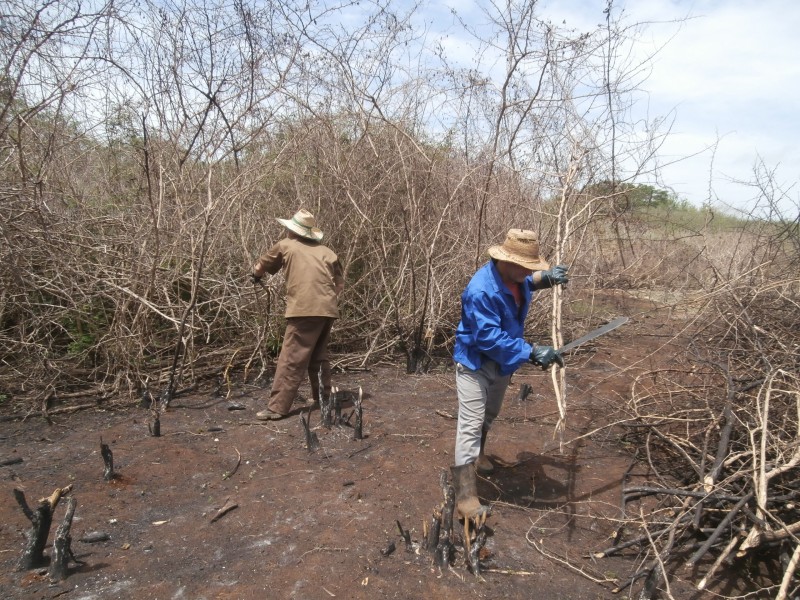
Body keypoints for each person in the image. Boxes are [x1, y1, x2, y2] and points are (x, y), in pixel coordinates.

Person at [451, 228, 568, 522]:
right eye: (524, 267)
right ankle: (465, 498)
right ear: (506, 261)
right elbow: (488, 338)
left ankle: (479, 454)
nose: (528, 271)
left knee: (489, 414)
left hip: (503, 363)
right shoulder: (481, 290)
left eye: (532, 267)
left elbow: (527, 282)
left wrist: (548, 278)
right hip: (476, 363)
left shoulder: (515, 276)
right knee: (471, 422)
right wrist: (531, 352)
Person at [251, 209, 344, 420]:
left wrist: (255, 277)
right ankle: (323, 398)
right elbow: (339, 285)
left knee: (291, 358)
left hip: (304, 308)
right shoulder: (328, 252)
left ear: (292, 230)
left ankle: (277, 407)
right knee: (318, 355)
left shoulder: (286, 245)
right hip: (328, 308)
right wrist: (324, 299)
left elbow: (260, 267)